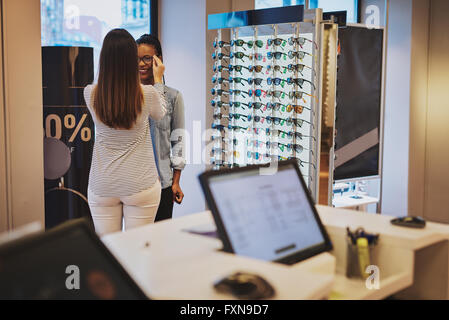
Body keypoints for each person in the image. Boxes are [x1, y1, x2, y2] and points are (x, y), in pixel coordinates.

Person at [83, 29, 167, 236]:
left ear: (104, 59)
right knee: (138, 252)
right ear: (131, 59)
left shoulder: (89, 93)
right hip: (140, 184)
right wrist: (158, 80)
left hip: (102, 185)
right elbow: (161, 114)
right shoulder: (147, 94)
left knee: (108, 250)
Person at [136, 34, 186, 222]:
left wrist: (176, 182)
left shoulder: (173, 97)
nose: (141, 64)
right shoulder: (130, 97)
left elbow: (178, 142)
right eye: (137, 58)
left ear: (158, 61)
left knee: (161, 242)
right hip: (135, 185)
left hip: (162, 184)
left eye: (147, 58)